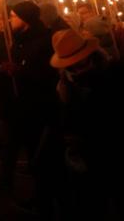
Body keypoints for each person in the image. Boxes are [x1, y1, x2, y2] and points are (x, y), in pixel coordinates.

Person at [51, 29, 124, 217]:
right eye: (70, 65)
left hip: (112, 148)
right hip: (87, 154)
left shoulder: (113, 73)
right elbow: (67, 119)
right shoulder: (67, 83)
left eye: (79, 63)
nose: (75, 69)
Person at [1, 1, 64, 215]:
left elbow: (48, 75)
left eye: (13, 16)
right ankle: (40, 198)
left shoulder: (45, 41)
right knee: (32, 157)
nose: (10, 20)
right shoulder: (18, 41)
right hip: (23, 108)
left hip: (41, 109)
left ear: (25, 19)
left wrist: (19, 71)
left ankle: (49, 204)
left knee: (45, 160)